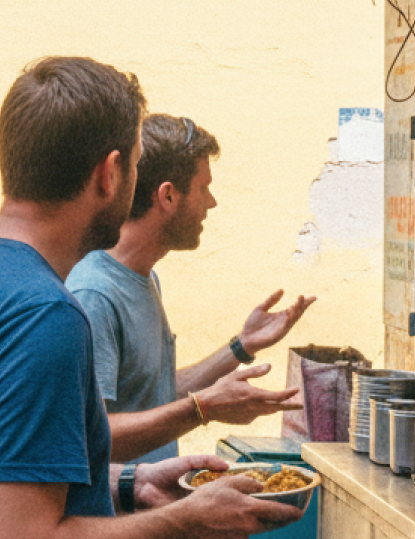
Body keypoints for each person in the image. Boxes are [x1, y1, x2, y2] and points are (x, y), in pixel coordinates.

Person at [0, 56, 301, 538]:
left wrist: (127, 483)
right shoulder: (48, 316)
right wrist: (186, 518)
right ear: (110, 172)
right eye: (137, 164)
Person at [66, 113, 315, 463]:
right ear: (168, 196)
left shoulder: (145, 278)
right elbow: (92, 439)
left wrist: (241, 347)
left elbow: (154, 396)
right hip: (118, 514)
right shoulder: (94, 295)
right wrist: (203, 410)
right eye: (204, 188)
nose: (211, 203)